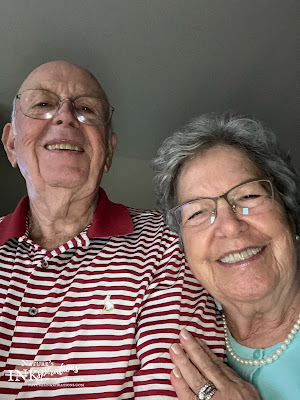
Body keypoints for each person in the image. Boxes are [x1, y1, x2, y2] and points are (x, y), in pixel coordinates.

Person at [0, 61, 227, 400]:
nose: (65, 116)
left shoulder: (167, 243)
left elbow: (169, 389)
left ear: (107, 151)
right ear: (12, 144)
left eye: (86, 109)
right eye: (43, 104)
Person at [153, 112, 300, 400]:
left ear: (288, 211)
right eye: (197, 212)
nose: (230, 227)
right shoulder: (186, 340)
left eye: (248, 197)